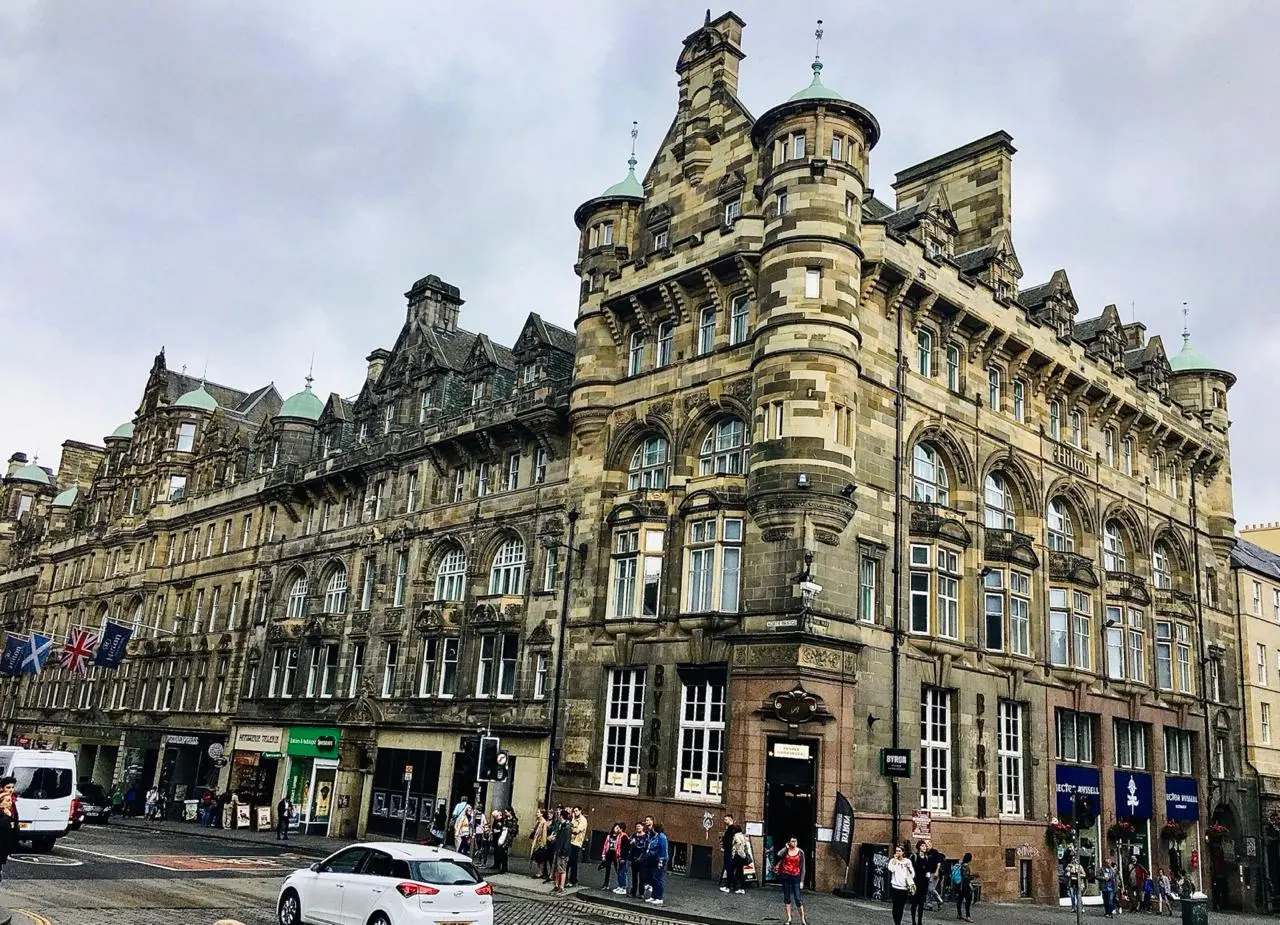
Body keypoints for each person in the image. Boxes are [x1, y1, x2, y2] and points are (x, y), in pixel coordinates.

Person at [774, 836, 807, 924]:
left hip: (796, 876)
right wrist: (786, 847)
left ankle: (803, 919)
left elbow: (803, 867)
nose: (794, 843)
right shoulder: (786, 851)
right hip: (786, 876)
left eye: (795, 841)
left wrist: (802, 881)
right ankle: (789, 918)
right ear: (789, 842)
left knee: (798, 899)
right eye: (792, 841)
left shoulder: (800, 852)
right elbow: (778, 854)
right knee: (787, 898)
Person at [888, 844, 915, 925]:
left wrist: (909, 871)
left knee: (901, 907)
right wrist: (895, 860)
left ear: (903, 852)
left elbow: (912, 874)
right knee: (895, 907)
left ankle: (898, 923)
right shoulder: (892, 861)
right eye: (896, 851)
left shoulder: (907, 861)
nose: (897, 852)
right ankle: (896, 921)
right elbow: (891, 869)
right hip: (895, 887)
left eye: (899, 851)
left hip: (904, 888)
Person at [645, 820, 669, 906]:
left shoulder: (662, 837)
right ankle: (654, 896)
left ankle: (659, 897)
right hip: (654, 859)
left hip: (660, 860)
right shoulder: (656, 836)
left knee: (659, 878)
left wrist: (661, 860)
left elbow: (663, 849)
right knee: (654, 878)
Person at [0, 776, 18, 886]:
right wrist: (7, 816)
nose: (11, 790)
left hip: (5, 842)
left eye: (12, 787)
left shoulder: (12, 804)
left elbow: (15, 821)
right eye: (8, 787)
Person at [551, 808, 573, 894]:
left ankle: (561, 887)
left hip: (563, 852)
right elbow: (559, 838)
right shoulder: (561, 825)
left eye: (559, 814)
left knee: (562, 869)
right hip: (558, 850)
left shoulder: (567, 827)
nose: (557, 816)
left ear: (561, 816)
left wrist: (564, 852)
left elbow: (566, 841)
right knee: (557, 869)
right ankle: (557, 885)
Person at [910, 841, 932, 924]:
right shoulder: (914, 857)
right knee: (914, 903)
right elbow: (910, 869)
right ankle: (913, 921)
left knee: (921, 904)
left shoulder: (927, 858)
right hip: (916, 883)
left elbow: (928, 870)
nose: (924, 847)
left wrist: (928, 875)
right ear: (919, 847)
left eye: (925, 846)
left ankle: (919, 921)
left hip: (924, 883)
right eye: (922, 846)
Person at [601, 821, 628, 891]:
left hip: (616, 854)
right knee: (608, 869)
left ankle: (621, 885)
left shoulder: (621, 836)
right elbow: (605, 845)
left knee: (619, 869)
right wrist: (603, 855)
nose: (617, 829)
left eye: (618, 828)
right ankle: (606, 884)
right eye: (616, 828)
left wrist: (621, 856)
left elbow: (624, 846)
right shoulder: (609, 836)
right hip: (609, 853)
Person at [720, 814, 742, 892]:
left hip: (729, 851)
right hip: (729, 851)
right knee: (729, 869)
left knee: (729, 868)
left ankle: (731, 887)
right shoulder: (730, 828)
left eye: (726, 819)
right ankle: (736, 887)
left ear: (730, 819)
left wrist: (731, 850)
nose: (724, 821)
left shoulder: (732, 829)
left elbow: (732, 841)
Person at [628, 821, 650, 898]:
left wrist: (644, 858)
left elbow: (646, 848)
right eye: (637, 826)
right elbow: (630, 846)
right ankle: (633, 892)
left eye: (639, 826)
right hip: (634, 858)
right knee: (634, 877)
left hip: (642, 860)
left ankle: (641, 893)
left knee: (642, 877)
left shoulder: (646, 836)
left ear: (643, 827)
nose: (638, 828)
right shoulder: (634, 835)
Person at [728, 827, 752, 894]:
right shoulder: (743, 836)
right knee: (740, 872)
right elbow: (746, 846)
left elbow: (738, 843)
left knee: (731, 870)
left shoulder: (736, 835)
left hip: (738, 856)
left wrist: (736, 851)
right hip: (743, 856)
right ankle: (742, 888)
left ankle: (730, 887)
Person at [569, 806, 588, 888]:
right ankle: (569, 879)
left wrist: (571, 828)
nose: (575, 812)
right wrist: (573, 819)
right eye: (574, 811)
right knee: (569, 861)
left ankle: (573, 880)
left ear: (580, 811)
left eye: (576, 811)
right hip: (571, 841)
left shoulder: (583, 820)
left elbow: (576, 831)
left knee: (573, 861)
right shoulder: (574, 819)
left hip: (577, 843)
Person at [530, 809, 551, 880]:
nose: (537, 813)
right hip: (536, 841)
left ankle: (540, 872)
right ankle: (538, 871)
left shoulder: (543, 822)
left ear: (542, 814)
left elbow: (544, 833)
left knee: (540, 858)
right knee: (537, 858)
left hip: (540, 842)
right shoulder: (538, 821)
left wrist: (543, 843)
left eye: (538, 812)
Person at [955, 851, 974, 922]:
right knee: (968, 900)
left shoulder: (961, 864)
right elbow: (966, 877)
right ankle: (968, 916)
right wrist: (971, 881)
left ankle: (959, 914)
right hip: (964, 886)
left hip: (959, 884)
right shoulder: (966, 866)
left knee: (959, 900)